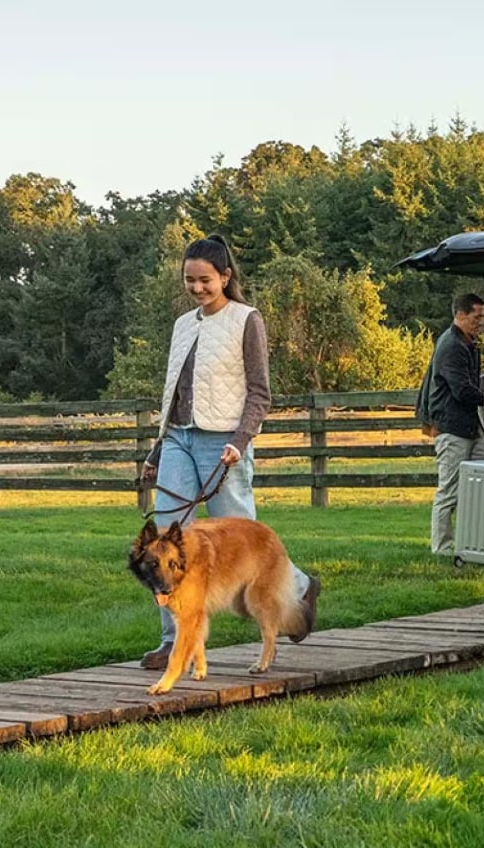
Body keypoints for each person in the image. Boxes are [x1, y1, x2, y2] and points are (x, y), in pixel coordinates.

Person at [139, 234, 320, 668]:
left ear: (225, 276)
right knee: (167, 539)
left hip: (223, 443)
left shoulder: (246, 320)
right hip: (179, 439)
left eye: (205, 280)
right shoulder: (183, 326)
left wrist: (240, 442)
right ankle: (173, 640)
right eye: (189, 280)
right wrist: (157, 451)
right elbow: (174, 395)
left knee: (244, 536)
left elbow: (260, 393)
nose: (197, 288)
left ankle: (298, 588)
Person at [420, 292, 484, 557]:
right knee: (449, 491)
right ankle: (442, 548)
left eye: (483, 316)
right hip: (452, 427)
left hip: (468, 425)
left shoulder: (466, 344)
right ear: (460, 315)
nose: (481, 322)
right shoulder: (452, 346)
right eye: (477, 317)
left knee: (478, 485)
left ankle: (472, 542)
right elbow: (462, 389)